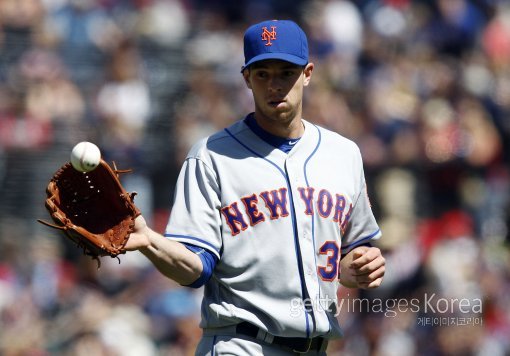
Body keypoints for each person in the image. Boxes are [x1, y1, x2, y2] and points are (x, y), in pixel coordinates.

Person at [126, 19, 385, 355]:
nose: (274, 85)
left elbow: (351, 256)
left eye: (285, 73)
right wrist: (150, 242)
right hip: (241, 344)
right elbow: (194, 268)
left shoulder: (344, 154)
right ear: (246, 78)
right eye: (262, 74)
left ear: (307, 73)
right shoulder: (211, 156)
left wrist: (359, 267)